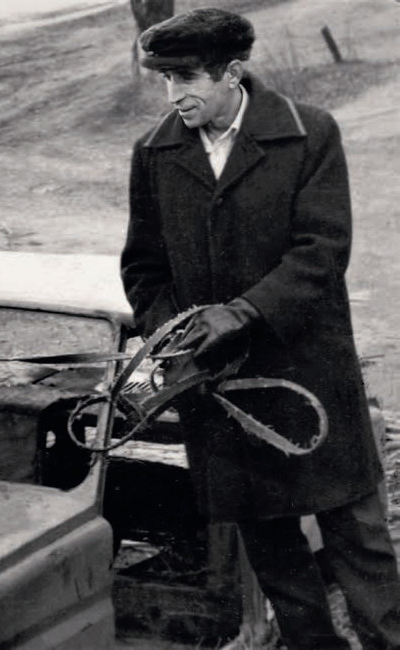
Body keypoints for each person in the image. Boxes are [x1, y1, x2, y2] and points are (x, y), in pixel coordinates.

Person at [120, 7, 400, 649]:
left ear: (232, 73)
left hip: (310, 373)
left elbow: (321, 252)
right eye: (164, 79)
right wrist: (175, 338)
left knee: (357, 536)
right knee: (271, 547)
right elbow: (143, 267)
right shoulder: (154, 152)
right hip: (217, 389)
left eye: (186, 77)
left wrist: (244, 313)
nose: (174, 95)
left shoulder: (309, 134)